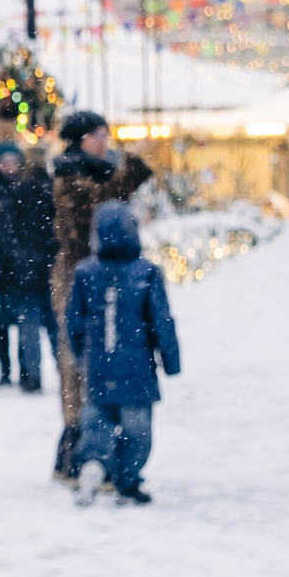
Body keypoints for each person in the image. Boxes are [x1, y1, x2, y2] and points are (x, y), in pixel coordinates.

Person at [48, 112, 153, 481]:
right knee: (78, 363)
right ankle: (77, 452)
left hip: (100, 280)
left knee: (98, 361)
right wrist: (135, 166)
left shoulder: (96, 170)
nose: (104, 141)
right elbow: (103, 206)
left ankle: (93, 453)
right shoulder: (71, 177)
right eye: (97, 135)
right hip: (79, 281)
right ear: (80, 139)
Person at [64, 202, 180, 506]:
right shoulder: (146, 274)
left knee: (97, 424)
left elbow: (74, 321)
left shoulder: (86, 273)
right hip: (137, 372)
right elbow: (162, 322)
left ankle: (92, 466)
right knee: (137, 433)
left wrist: (81, 356)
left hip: (99, 370)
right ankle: (127, 481)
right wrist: (171, 361)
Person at [0, 141, 59, 393]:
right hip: (32, 269)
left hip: (20, 271)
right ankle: (51, 372)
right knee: (46, 325)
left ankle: (30, 374)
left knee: (29, 325)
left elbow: (6, 235)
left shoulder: (13, 196)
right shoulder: (46, 193)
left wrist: (18, 259)